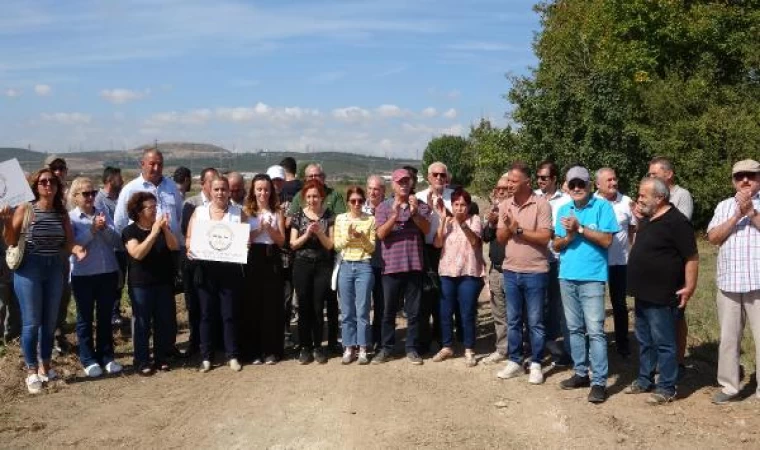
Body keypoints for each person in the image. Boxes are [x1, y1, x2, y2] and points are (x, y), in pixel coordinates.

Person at [625, 176, 698, 405]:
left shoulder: (677, 222)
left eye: (643, 195)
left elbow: (692, 257)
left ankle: (667, 387)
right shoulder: (648, 219)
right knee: (644, 339)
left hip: (664, 294)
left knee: (665, 342)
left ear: (660, 197)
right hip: (643, 292)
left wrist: (690, 286)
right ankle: (645, 379)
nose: (639, 199)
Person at [1, 169, 73, 394]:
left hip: (54, 268)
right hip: (29, 268)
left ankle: (46, 366)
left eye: (52, 181)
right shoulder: (26, 209)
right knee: (31, 322)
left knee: (49, 321)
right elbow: (11, 241)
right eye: (43, 182)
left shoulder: (62, 214)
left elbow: (68, 242)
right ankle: (31, 371)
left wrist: (71, 251)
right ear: (35, 186)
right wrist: (5, 221)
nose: (48, 185)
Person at [552, 165, 618, 403]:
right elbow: (556, 245)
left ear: (590, 185)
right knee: (574, 328)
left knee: (596, 331)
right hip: (567, 275)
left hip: (592, 277)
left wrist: (579, 228)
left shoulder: (602, 207)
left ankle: (599, 381)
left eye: (581, 184)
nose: (577, 188)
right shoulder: (563, 208)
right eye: (573, 185)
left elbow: (607, 240)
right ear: (567, 188)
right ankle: (581, 373)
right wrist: (569, 236)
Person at [706, 159, 760, 404]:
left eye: (751, 176)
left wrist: (751, 213)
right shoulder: (724, 206)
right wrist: (736, 216)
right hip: (729, 281)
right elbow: (713, 237)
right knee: (728, 338)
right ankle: (729, 386)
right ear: (733, 181)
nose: (745, 180)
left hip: (757, 282)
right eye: (740, 177)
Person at [495, 163, 552, 384]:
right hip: (510, 270)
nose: (509, 184)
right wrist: (509, 227)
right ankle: (515, 361)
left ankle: (536, 362)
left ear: (527, 182)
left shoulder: (542, 205)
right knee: (514, 320)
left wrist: (517, 229)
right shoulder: (505, 205)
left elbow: (544, 238)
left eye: (513, 181)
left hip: (535, 271)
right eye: (508, 180)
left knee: (536, 321)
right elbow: (500, 238)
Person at [186, 176, 245, 372]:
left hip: (230, 270)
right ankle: (206, 357)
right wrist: (190, 248)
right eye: (217, 189)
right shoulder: (199, 212)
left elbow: (245, 239)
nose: (220, 193)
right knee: (206, 314)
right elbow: (189, 238)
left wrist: (246, 244)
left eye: (224, 189)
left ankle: (232, 355)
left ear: (229, 191)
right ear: (210, 190)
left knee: (229, 314)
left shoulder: (238, 212)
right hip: (205, 270)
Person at [373, 169, 431, 365]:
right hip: (390, 267)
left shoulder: (420, 205)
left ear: (412, 183)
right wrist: (394, 216)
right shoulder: (383, 207)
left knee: (414, 312)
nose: (403, 184)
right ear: (393, 185)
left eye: (407, 181)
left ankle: (412, 348)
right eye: (399, 182)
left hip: (414, 265)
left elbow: (426, 229)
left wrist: (414, 214)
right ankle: (386, 348)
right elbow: (380, 234)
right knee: (388, 311)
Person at [68, 177, 123, 378]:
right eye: (86, 194)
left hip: (107, 273)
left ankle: (107, 356)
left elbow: (118, 241)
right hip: (83, 276)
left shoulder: (103, 214)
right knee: (84, 318)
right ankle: (88, 359)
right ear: (75, 197)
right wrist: (92, 231)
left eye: (93, 193)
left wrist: (104, 228)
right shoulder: (71, 218)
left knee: (105, 317)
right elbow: (73, 246)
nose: (91, 197)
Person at [288, 164, 345, 354]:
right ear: (305, 197)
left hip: (323, 265)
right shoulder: (298, 216)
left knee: (318, 306)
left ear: (322, 197)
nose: (312, 199)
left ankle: (318, 347)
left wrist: (319, 233)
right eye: (309, 196)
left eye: (316, 196)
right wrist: (306, 235)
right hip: (302, 264)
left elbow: (331, 245)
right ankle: (305, 346)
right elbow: (293, 244)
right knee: (304, 306)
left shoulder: (328, 216)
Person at [122, 191, 179, 375]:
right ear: (139, 211)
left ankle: (161, 357)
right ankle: (142, 360)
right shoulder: (130, 231)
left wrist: (164, 229)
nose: (155, 210)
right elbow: (137, 253)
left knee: (163, 321)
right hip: (141, 284)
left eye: (156, 207)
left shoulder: (159, 228)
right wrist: (153, 233)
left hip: (162, 282)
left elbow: (174, 246)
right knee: (142, 323)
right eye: (150, 207)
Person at [647, 156, 694, 376]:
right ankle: (661, 361)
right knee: (655, 316)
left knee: (676, 315)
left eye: (654, 174)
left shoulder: (681, 195)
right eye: (649, 174)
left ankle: (678, 360)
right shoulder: (650, 197)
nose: (651, 178)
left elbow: (677, 226)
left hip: (676, 264)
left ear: (669, 174)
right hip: (657, 266)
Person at [432, 188, 485, 367]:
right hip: (447, 272)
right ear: (452, 206)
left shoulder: (475, 220)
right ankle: (447, 346)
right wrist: (442, 222)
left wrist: (463, 224)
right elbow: (438, 243)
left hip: (468, 272)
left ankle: (469, 348)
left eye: (463, 205)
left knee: (467, 312)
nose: (459, 208)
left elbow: (475, 242)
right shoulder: (447, 222)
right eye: (456, 204)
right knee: (445, 312)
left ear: (468, 206)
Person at [242, 173, 286, 365]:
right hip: (253, 259)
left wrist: (270, 229)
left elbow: (282, 240)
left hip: (272, 257)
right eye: (259, 189)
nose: (263, 193)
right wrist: (259, 229)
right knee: (253, 305)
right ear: (253, 190)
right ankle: (254, 351)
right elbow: (243, 238)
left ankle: (271, 350)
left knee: (271, 305)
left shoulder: (277, 212)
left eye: (266, 189)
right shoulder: (245, 212)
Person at [595, 168, 636, 358]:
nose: (613, 183)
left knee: (619, 304)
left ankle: (622, 343)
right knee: (595, 305)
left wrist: (632, 251)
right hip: (595, 262)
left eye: (614, 179)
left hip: (620, 262)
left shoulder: (627, 202)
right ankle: (597, 343)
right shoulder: (592, 203)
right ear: (598, 184)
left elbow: (634, 229)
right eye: (608, 180)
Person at [535, 160, 571, 366]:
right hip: (538, 259)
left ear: (554, 179)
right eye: (538, 177)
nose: (540, 181)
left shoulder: (565, 201)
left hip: (559, 259)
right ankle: (544, 346)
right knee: (539, 306)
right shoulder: (533, 198)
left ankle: (562, 349)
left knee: (558, 307)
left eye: (544, 178)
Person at [334, 186, 376, 365]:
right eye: (353, 201)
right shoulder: (340, 219)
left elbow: (372, 248)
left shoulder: (370, 219)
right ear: (348, 202)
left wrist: (361, 237)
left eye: (360, 201)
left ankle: (363, 347)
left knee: (363, 310)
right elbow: (337, 245)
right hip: (345, 265)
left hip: (363, 265)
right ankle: (349, 346)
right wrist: (350, 238)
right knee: (347, 310)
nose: (357, 204)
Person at [180, 167, 219, 355]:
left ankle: (215, 342)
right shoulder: (191, 203)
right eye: (211, 182)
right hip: (196, 264)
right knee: (195, 304)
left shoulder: (224, 204)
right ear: (202, 183)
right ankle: (195, 342)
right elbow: (186, 230)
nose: (215, 185)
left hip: (219, 263)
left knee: (215, 303)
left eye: (218, 181)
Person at [415, 162, 453, 353]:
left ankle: (440, 338)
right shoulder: (418, 198)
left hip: (447, 250)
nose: (439, 178)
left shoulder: (454, 197)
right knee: (424, 296)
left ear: (447, 178)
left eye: (442, 175)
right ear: (428, 177)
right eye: (435, 174)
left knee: (442, 296)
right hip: (424, 249)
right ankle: (423, 340)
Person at [45, 156, 73, 355]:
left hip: (66, 254)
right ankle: (46, 341)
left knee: (63, 296)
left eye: (61, 168)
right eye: (54, 168)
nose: (58, 172)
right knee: (46, 298)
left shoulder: (70, 195)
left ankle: (58, 334)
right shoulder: (37, 195)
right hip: (44, 254)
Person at [481, 174, 510, 365]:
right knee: (499, 313)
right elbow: (485, 237)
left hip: (514, 269)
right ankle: (502, 349)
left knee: (517, 314)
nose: (500, 192)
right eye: (498, 188)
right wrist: (491, 222)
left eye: (504, 188)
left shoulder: (517, 210)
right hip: (496, 269)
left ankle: (520, 350)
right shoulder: (493, 211)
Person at [94, 166, 128, 327]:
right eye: (118, 178)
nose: (122, 180)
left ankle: (115, 310)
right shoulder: (99, 200)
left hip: (123, 246)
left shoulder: (121, 198)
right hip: (109, 248)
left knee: (120, 282)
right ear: (109, 180)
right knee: (111, 282)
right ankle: (110, 314)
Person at [278, 157, 301, 349]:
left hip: (288, 250)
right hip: (292, 250)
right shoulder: (302, 189)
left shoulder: (283, 193)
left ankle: (286, 334)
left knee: (286, 296)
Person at [364, 175, 386, 350]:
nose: (373, 192)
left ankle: (378, 338)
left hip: (383, 262)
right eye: (370, 188)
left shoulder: (388, 209)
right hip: (363, 263)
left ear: (383, 192)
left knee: (381, 304)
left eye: (377, 189)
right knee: (362, 305)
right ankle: (363, 340)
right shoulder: (357, 208)